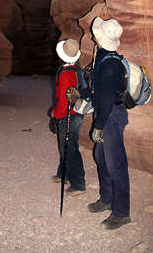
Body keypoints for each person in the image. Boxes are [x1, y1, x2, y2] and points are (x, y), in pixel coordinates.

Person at [87, 16, 131, 230]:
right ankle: (106, 199)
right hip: (106, 113)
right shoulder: (104, 58)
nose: (94, 38)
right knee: (101, 158)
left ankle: (122, 213)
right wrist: (82, 93)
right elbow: (98, 90)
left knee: (116, 165)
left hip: (111, 116)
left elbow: (106, 98)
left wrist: (99, 125)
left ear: (99, 38)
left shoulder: (110, 63)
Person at [50, 38, 86, 197]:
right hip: (77, 112)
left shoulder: (65, 74)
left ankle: (78, 183)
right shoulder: (76, 69)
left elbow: (63, 100)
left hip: (69, 114)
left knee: (69, 148)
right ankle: (63, 173)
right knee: (66, 145)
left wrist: (56, 117)